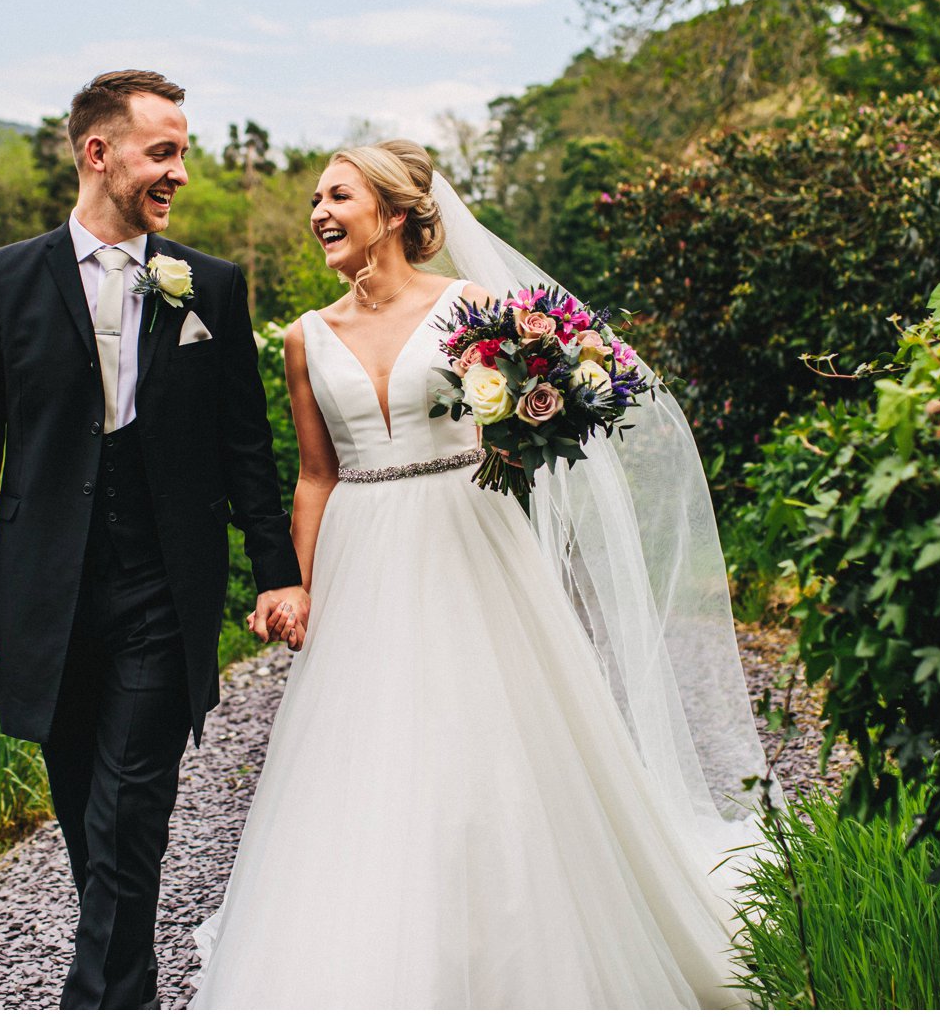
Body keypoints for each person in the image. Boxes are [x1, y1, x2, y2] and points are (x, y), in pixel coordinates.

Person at [187, 139, 773, 1008]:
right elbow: (316, 474)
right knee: (366, 747)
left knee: (489, 730)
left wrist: (530, 427)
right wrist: (299, 582)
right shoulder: (306, 338)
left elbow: (544, 418)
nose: (318, 211)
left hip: (469, 532)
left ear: (391, 212)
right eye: (314, 196)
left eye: (337, 195)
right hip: (363, 546)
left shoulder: (475, 307)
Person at [0, 69, 307, 1010]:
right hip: (44, 591)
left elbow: (243, 449)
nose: (179, 171)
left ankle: (91, 1000)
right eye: (162, 151)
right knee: (83, 815)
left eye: (182, 151)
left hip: (160, 588)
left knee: (132, 805)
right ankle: (126, 991)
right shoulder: (4, 280)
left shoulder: (208, 285)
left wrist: (276, 572)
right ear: (98, 153)